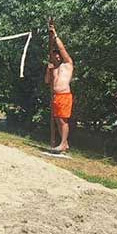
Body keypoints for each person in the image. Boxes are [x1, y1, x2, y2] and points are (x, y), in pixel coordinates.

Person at [45, 24, 75, 152]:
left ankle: (62, 144)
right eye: (54, 55)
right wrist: (48, 70)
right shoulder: (53, 68)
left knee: (63, 121)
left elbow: (62, 49)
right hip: (56, 96)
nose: (57, 57)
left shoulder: (67, 64)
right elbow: (47, 81)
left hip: (64, 96)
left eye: (58, 55)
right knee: (58, 120)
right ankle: (65, 143)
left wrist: (55, 35)